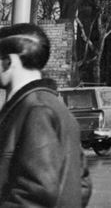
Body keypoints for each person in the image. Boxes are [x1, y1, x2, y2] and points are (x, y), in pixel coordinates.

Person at [0, 23, 91, 207]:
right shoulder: (53, 106)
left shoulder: (36, 109)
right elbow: (83, 186)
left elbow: (37, 191)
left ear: (8, 62)